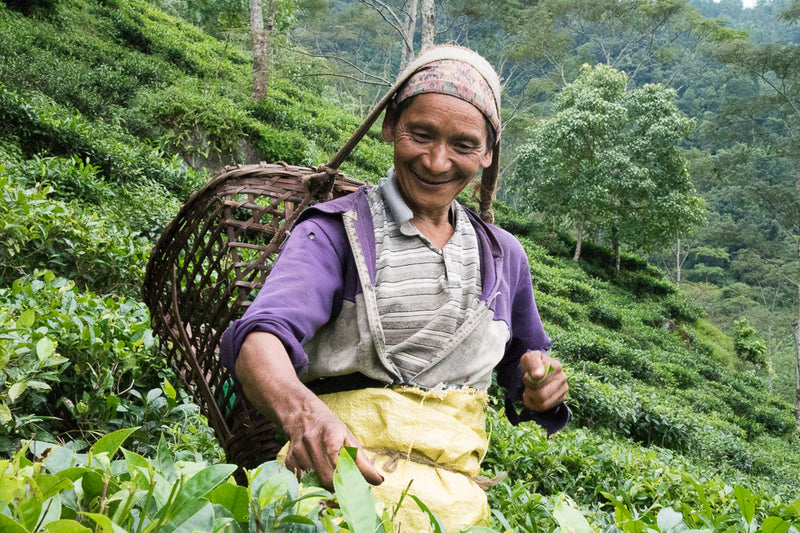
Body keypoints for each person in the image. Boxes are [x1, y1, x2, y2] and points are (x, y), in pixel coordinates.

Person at [220, 44, 569, 529]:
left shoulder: (503, 256)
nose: (437, 161)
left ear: (487, 154)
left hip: (454, 511)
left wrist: (539, 385)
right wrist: (304, 415)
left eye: (464, 145)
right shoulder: (337, 233)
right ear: (390, 126)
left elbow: (522, 365)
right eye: (420, 134)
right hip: (335, 494)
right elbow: (259, 341)